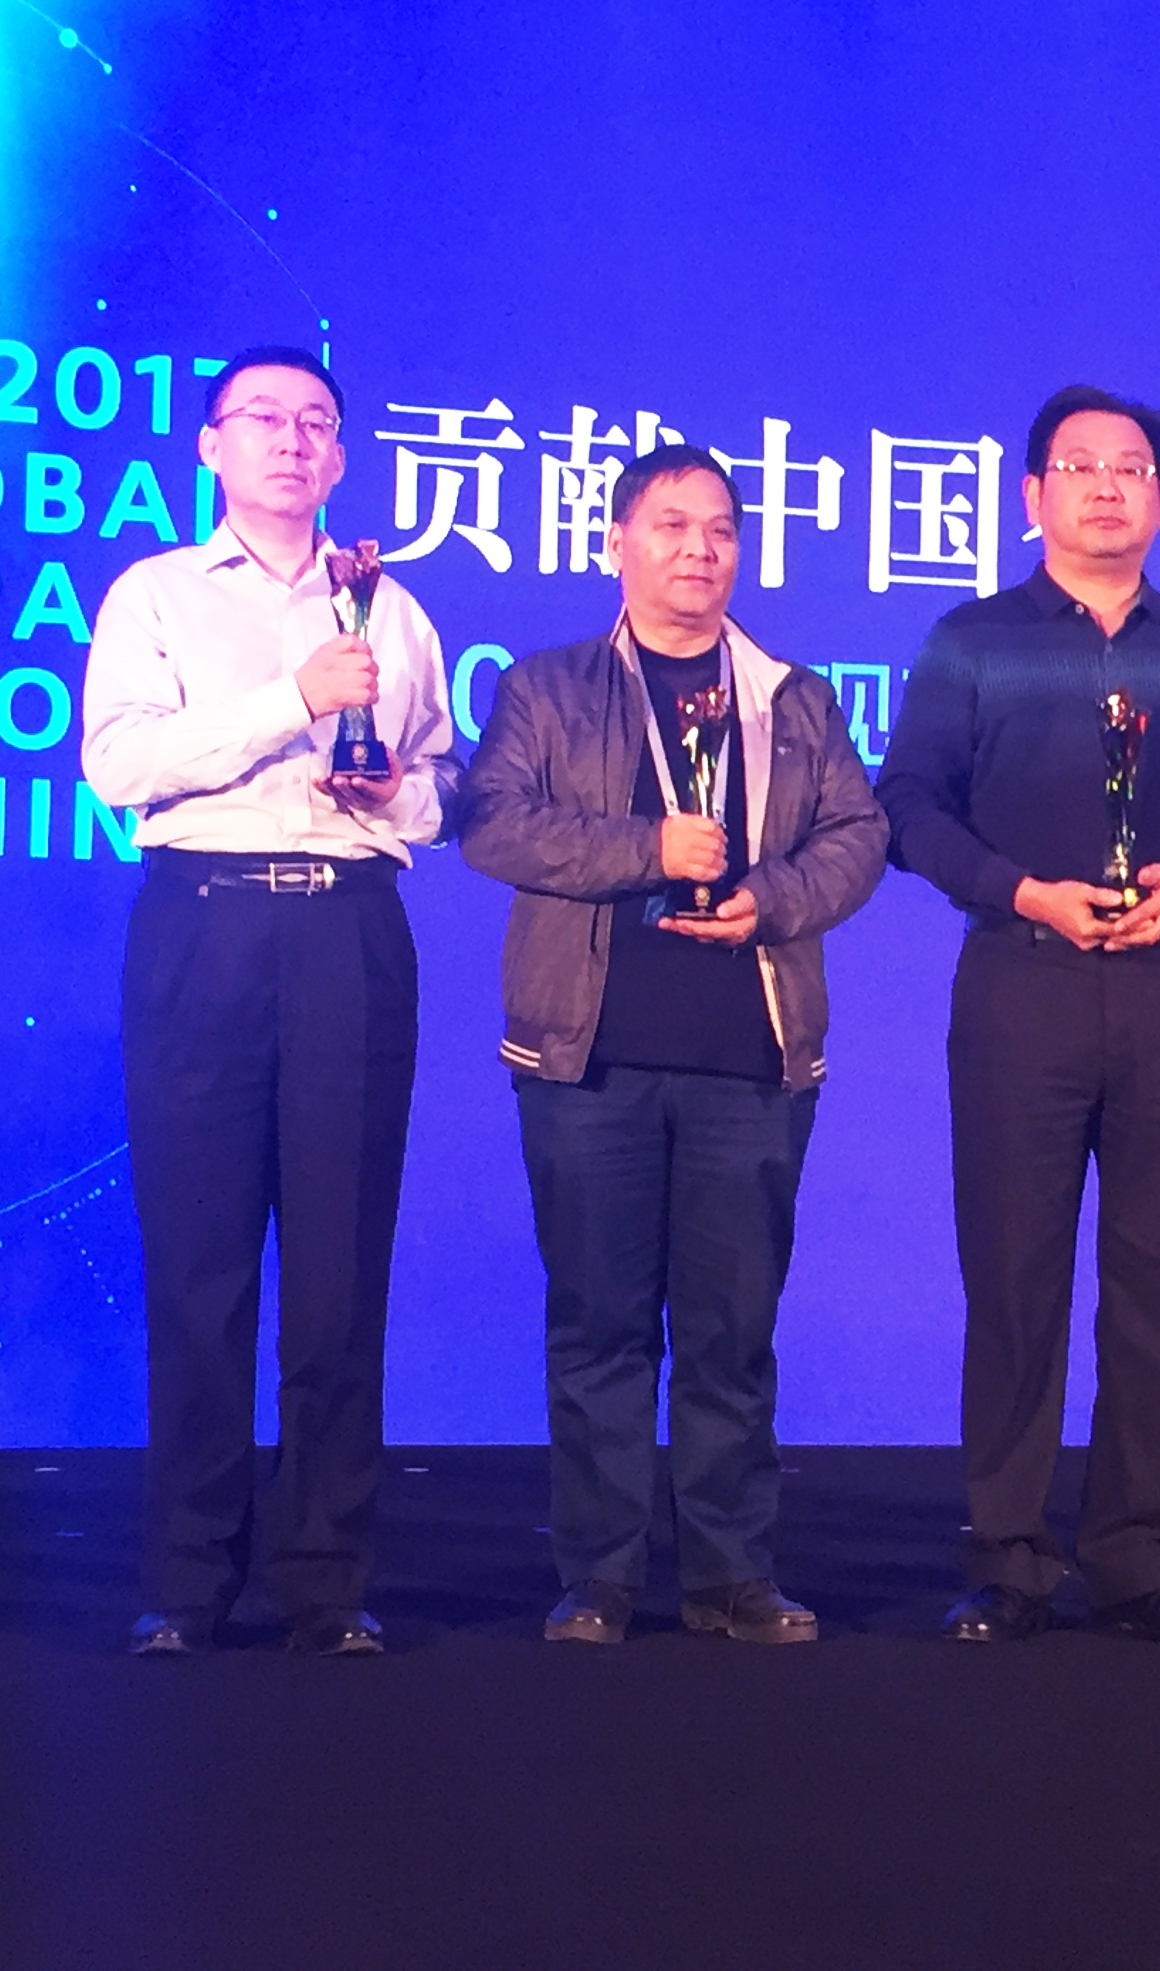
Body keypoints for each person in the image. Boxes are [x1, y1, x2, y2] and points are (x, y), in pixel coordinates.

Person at [876, 385, 1160, 1648]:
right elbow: (908, 807)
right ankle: (1009, 1554)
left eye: (1131, 468)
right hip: (1022, 984)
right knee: (1014, 1277)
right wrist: (1023, 893)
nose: (1107, 486)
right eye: (1079, 466)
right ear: (1032, 495)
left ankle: (1142, 1557)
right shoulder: (973, 639)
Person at [459, 447, 885, 1646]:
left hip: (751, 1059)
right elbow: (492, 824)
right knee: (598, 1326)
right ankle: (598, 1577)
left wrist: (773, 899)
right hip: (587, 1058)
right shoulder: (547, 686)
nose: (699, 549)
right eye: (671, 525)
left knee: (731, 1334)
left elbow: (858, 833)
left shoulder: (792, 697)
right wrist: (648, 850)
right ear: (616, 543)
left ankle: (731, 1573)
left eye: (720, 530)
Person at [82, 344, 459, 1658]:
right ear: (210, 445)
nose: (292, 441)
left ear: (341, 455)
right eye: (263, 419)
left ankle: (325, 1576)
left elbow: (443, 789)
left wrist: (393, 789)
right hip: (205, 924)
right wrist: (287, 699)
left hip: (350, 928)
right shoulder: (157, 593)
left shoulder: (394, 611)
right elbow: (119, 762)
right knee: (199, 1264)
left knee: (341, 1271)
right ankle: (189, 1578)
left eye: (316, 423)